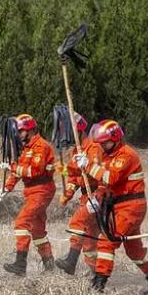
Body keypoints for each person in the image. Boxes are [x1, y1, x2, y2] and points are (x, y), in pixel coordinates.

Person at [75, 119, 148, 295]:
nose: (102, 146)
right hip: (120, 206)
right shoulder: (107, 156)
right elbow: (105, 185)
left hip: (131, 207)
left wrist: (88, 165)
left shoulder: (126, 155)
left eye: (105, 142)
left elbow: (111, 178)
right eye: (100, 143)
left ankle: (99, 283)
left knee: (107, 241)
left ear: (116, 138)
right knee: (134, 249)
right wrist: (96, 199)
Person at [0, 114, 56, 276]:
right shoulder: (25, 148)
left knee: (21, 222)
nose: (18, 134)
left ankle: (20, 264)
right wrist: (6, 187)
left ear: (30, 130)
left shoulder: (41, 147)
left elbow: (34, 171)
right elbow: (18, 170)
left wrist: (12, 168)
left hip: (42, 190)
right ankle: (50, 265)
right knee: (37, 229)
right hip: (32, 191)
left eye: (21, 131)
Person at [55, 113, 103, 275]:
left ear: (78, 130)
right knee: (90, 240)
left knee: (77, 222)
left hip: (97, 195)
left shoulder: (94, 148)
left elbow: (97, 175)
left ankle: (71, 261)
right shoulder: (76, 151)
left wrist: (87, 164)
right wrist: (67, 195)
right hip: (85, 196)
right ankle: (98, 273)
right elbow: (74, 178)